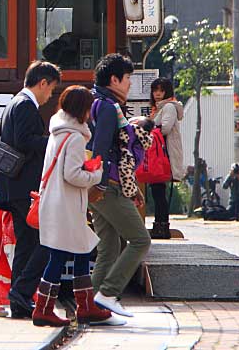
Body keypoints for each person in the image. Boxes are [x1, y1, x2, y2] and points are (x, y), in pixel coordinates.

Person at [32, 86, 123, 327]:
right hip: (66, 207)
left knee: (80, 251)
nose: (91, 113)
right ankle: (46, 309)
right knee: (60, 256)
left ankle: (84, 306)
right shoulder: (73, 137)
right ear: (81, 109)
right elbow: (72, 175)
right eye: (89, 108)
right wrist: (95, 174)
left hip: (58, 203)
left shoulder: (58, 131)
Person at [0, 60, 61, 318]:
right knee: (47, 239)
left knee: (27, 242)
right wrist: (55, 141)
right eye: (51, 89)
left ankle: (19, 301)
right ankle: (21, 292)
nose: (50, 96)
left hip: (13, 185)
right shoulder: (25, 106)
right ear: (42, 83)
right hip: (23, 186)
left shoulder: (14, 103)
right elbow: (24, 141)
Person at [86, 53, 150, 319]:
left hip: (95, 185)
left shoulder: (94, 101)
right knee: (140, 240)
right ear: (114, 79)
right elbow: (101, 147)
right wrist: (100, 183)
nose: (129, 84)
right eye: (127, 79)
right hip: (107, 185)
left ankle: (91, 305)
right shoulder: (109, 107)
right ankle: (108, 293)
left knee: (109, 247)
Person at [149, 77, 184, 239]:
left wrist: (145, 128)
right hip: (160, 155)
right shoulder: (159, 108)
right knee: (158, 192)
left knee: (159, 192)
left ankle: (161, 226)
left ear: (167, 92)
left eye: (161, 90)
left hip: (163, 155)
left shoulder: (168, 107)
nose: (157, 93)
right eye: (155, 90)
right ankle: (160, 225)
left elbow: (164, 129)